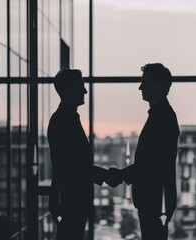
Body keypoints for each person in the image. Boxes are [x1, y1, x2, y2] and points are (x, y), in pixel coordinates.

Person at [109, 63, 180, 240]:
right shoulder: (162, 115)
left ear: (158, 85)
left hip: (154, 197)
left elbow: (152, 164)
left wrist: (119, 175)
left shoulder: (162, 118)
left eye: (144, 82)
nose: (140, 87)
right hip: (156, 197)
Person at [47, 69, 114, 239]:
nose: (85, 91)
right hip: (71, 201)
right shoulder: (64, 121)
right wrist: (107, 175)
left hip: (71, 200)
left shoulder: (65, 118)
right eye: (81, 87)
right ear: (70, 90)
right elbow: (73, 167)